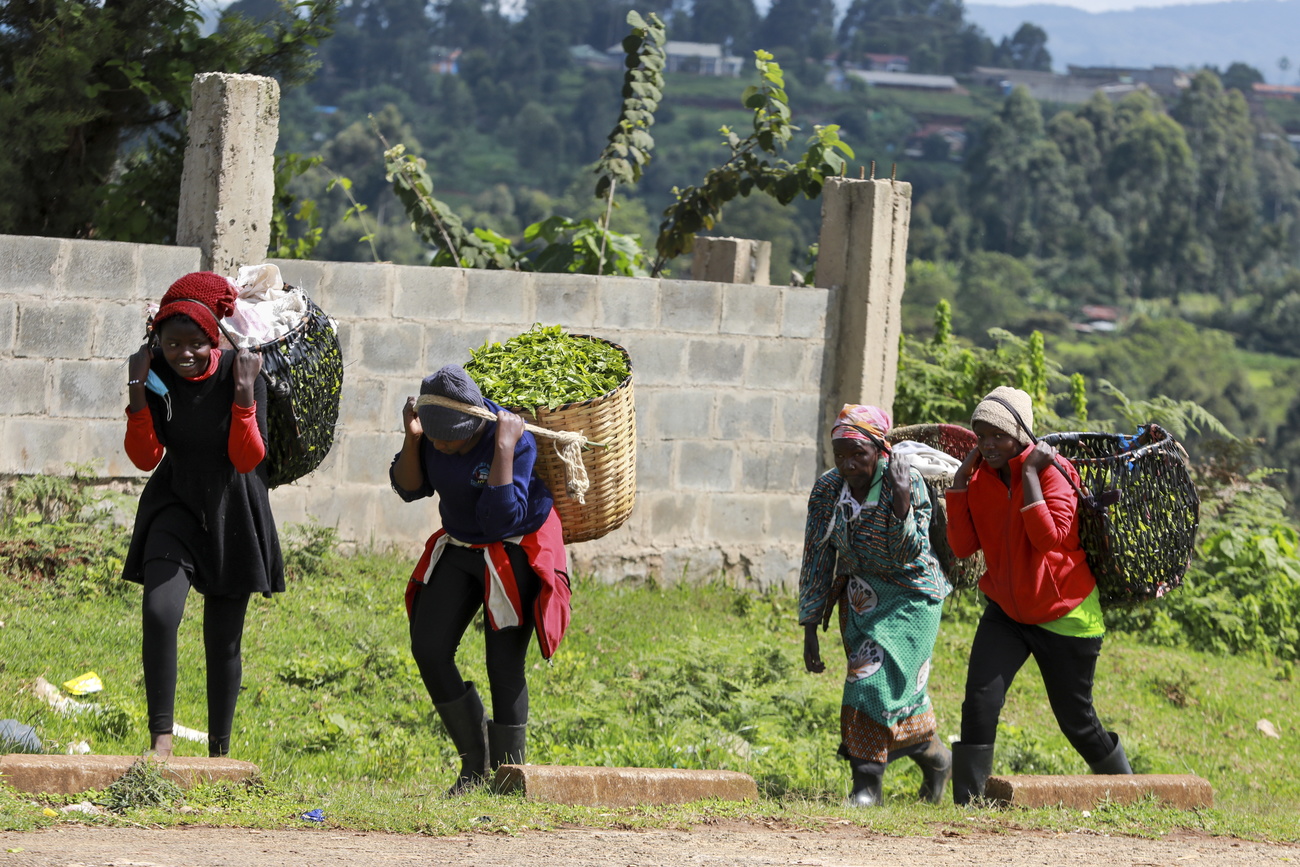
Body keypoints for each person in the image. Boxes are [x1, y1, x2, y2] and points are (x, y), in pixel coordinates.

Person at [121, 271, 283, 758]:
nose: (184, 354)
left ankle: (219, 754)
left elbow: (247, 459)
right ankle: (162, 741)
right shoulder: (152, 375)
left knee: (223, 641)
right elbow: (145, 456)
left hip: (235, 506)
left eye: (195, 343)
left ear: (214, 339)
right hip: (175, 502)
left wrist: (244, 395)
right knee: (159, 611)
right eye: (173, 345)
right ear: (158, 342)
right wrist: (134, 388)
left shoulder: (245, 372)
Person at [945, 386, 1132, 805]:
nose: (988, 445)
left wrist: (1029, 475)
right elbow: (961, 547)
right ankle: (969, 806)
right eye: (981, 435)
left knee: (1077, 722)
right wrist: (959, 483)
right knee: (979, 702)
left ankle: (1134, 793)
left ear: (1021, 435)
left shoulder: (1054, 473)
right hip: (1007, 612)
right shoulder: (979, 479)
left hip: (1064, 614)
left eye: (998, 435)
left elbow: (1050, 540)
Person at [391, 365, 570, 796]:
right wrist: (414, 441)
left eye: (451, 439)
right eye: (435, 438)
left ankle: (509, 781)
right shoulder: (433, 435)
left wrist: (504, 451)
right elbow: (410, 488)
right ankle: (475, 766)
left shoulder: (513, 439)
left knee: (503, 663)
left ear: (475, 423)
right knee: (428, 647)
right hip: (461, 542)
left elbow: (500, 518)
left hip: (513, 545)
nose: (443, 446)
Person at [799, 404, 954, 807]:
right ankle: (936, 758)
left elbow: (909, 553)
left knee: (866, 680)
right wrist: (810, 625)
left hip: (912, 595)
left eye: (858, 454)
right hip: (862, 598)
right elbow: (817, 555)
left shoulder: (906, 482)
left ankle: (866, 788)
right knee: (892, 692)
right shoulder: (828, 489)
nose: (848, 464)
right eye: (840, 454)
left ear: (879, 448)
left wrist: (902, 500)